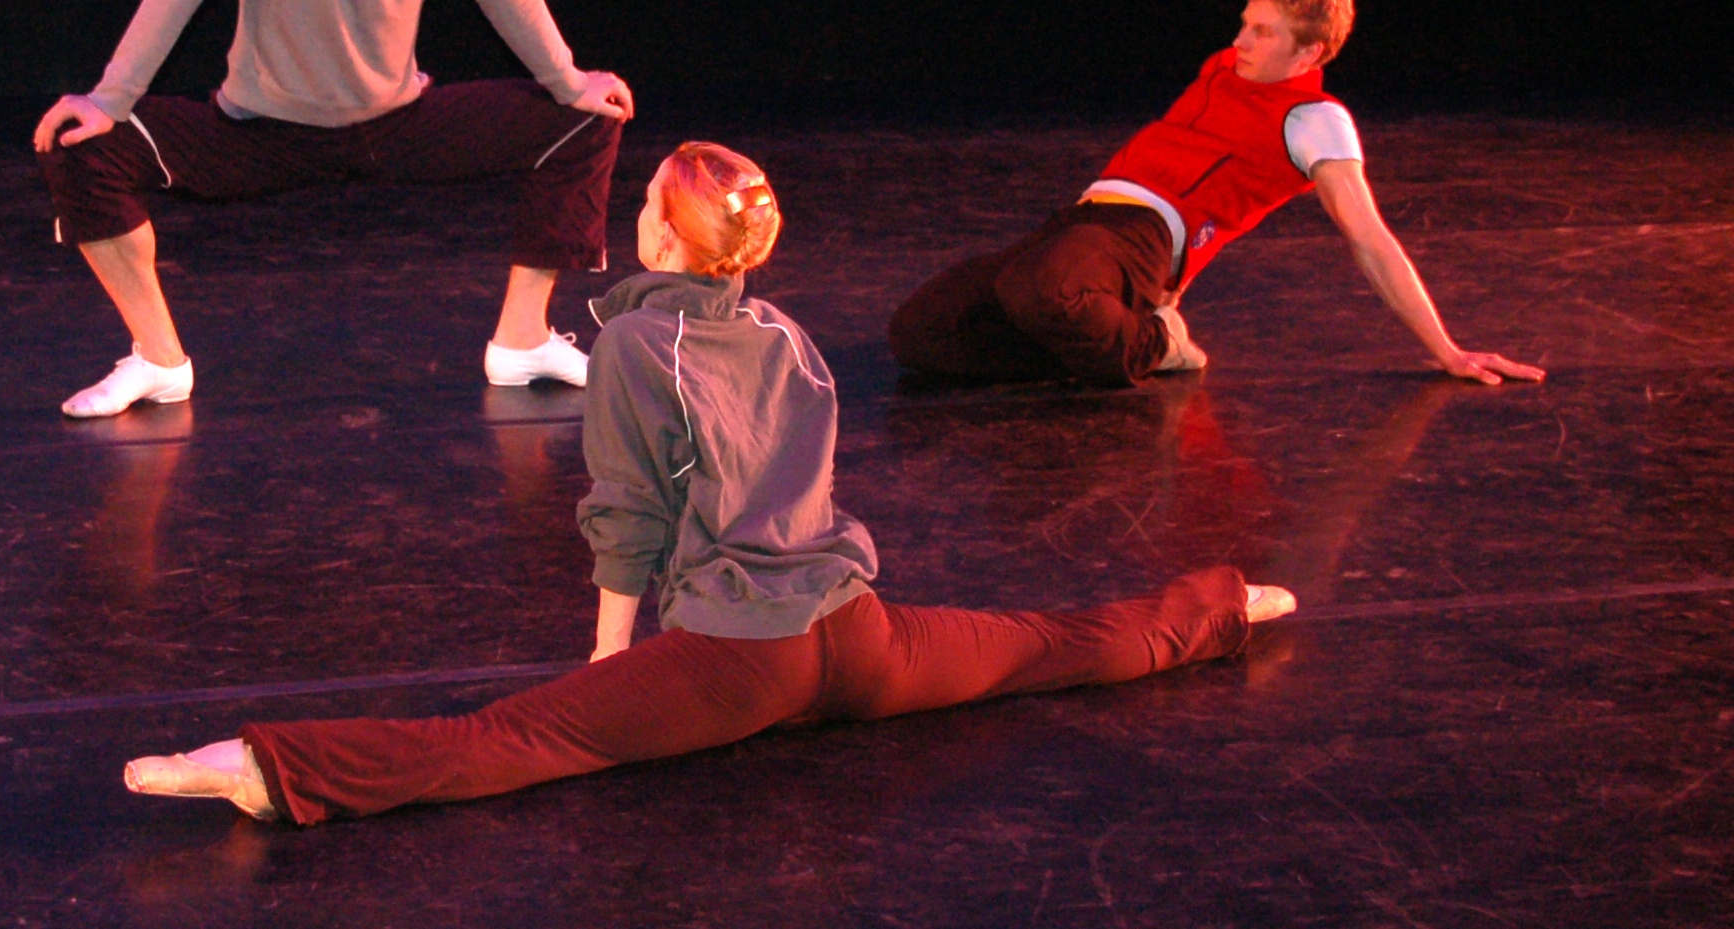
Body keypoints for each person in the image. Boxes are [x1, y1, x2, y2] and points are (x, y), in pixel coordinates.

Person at [121, 142, 1293, 823]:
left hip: (744, 662)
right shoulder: (786, 334)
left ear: (671, 241)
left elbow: (626, 512)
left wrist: (610, 653)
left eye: (648, 208)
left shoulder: (636, 344)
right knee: (1042, 645)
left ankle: (270, 770)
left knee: (507, 740)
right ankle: (1227, 607)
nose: (638, 216)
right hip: (860, 639)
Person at [34, 0, 633, 416]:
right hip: (260, 131)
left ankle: (522, 340)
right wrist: (111, 98)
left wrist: (567, 80)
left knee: (588, 118)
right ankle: (159, 358)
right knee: (80, 144)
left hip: (395, 123)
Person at [889, 0, 1545, 390]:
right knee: (923, 331)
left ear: (1310, 52)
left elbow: (1369, 238)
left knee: (1047, 290)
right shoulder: (1227, 66)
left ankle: (1156, 340)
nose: (1241, 42)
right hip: (1085, 218)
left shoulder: (1315, 119)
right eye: (1244, 24)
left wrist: (1447, 350)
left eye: (1262, 32)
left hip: (1147, 236)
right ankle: (1098, 332)